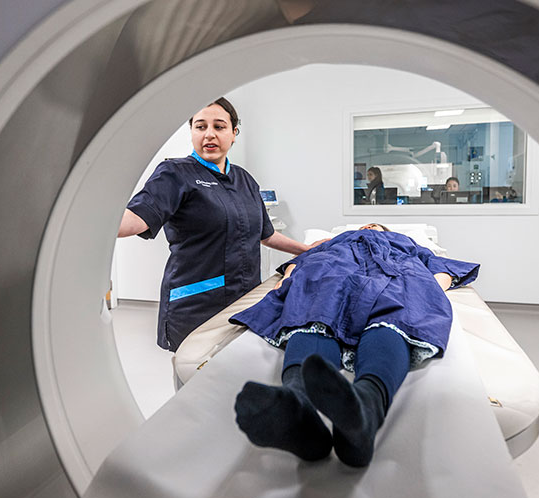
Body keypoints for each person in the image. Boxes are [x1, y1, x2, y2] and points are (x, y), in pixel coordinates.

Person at [230, 223, 479, 466]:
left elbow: (439, 267)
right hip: (333, 269)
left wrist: (427, 289)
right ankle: (297, 404)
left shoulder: (406, 243)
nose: (369, 227)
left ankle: (366, 406)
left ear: (386, 232)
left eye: (376, 226)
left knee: (395, 312)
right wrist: (287, 279)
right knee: (316, 306)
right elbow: (301, 262)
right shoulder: (336, 241)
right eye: (366, 225)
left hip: (398, 272)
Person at [117, 97, 319, 351]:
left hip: (244, 298)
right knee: (194, 377)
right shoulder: (174, 173)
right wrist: (92, 222)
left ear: (234, 133)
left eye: (219, 127)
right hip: (196, 303)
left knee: (234, 373)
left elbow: (266, 235)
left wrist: (307, 249)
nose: (209, 134)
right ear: (191, 133)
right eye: (200, 127)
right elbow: (135, 219)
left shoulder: (245, 180)